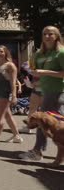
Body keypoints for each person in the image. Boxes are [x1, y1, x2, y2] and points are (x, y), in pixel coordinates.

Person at [19, 26, 64, 164]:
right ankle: (48, 153)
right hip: (43, 90)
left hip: (57, 92)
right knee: (54, 125)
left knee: (45, 123)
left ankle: (37, 151)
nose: (47, 36)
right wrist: (35, 78)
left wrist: (44, 72)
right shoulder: (42, 53)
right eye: (45, 33)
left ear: (57, 36)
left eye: (51, 34)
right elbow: (34, 69)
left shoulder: (61, 52)